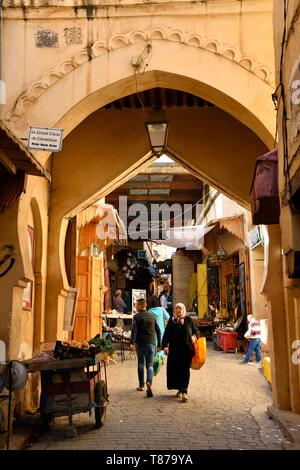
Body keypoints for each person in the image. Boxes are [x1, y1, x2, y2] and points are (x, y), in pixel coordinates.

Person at [162, 303, 199, 402]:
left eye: (180, 308)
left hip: (186, 350)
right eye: (177, 308)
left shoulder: (188, 320)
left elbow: (196, 331)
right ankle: (179, 388)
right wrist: (165, 346)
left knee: (185, 370)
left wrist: (194, 337)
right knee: (176, 370)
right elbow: (166, 335)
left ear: (183, 309)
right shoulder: (172, 321)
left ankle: (184, 391)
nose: (178, 310)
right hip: (174, 350)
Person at [130, 298, 162, 397]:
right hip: (151, 343)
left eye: (136, 305)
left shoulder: (136, 317)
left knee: (140, 363)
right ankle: (149, 382)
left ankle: (141, 385)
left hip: (140, 343)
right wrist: (159, 344)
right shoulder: (152, 316)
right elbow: (158, 331)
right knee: (150, 365)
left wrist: (132, 343)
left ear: (140, 306)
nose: (135, 306)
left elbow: (134, 331)